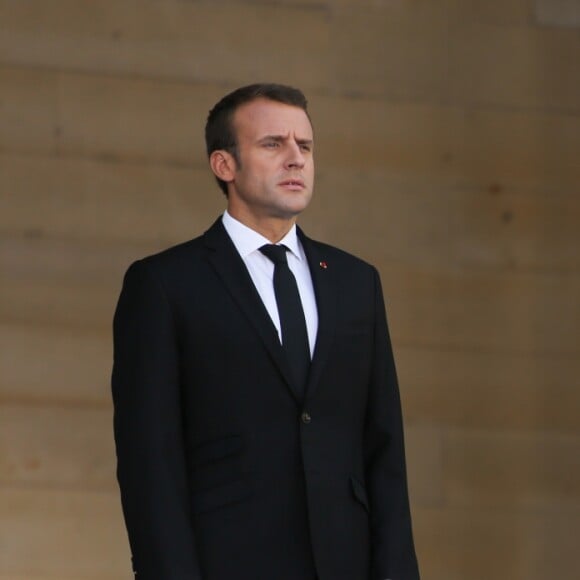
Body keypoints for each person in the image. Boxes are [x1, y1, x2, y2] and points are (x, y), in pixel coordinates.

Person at [112, 83, 420, 580]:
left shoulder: (356, 282)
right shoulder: (165, 285)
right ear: (224, 165)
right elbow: (151, 465)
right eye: (273, 144)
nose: (296, 159)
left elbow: (384, 452)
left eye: (306, 146)